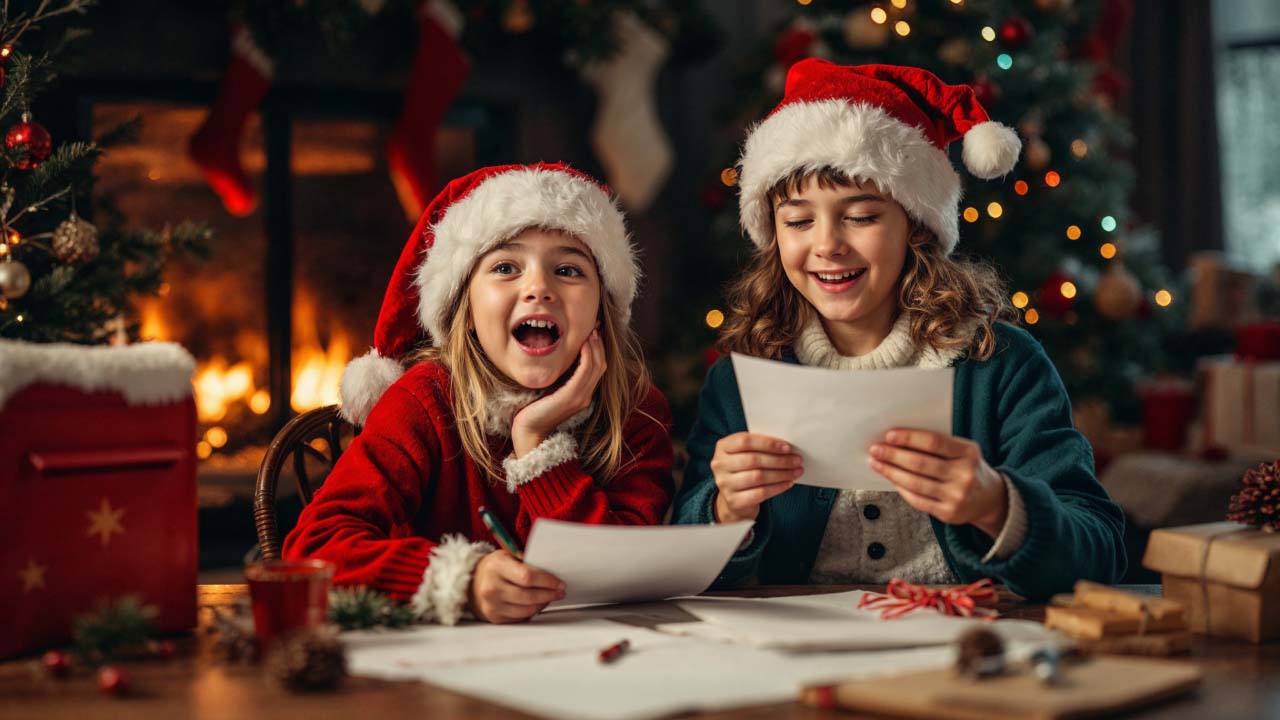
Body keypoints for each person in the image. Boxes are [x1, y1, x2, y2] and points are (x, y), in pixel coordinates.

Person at [672, 60, 1125, 600]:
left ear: (915, 226)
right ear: (773, 233)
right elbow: (684, 568)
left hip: (967, 647)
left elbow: (1101, 553)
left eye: (860, 217)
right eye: (798, 221)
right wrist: (725, 509)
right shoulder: (743, 377)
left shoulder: (1001, 363)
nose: (827, 244)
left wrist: (997, 505)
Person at [285, 163, 674, 624]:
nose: (538, 289)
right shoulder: (424, 401)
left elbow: (621, 572)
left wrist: (537, 447)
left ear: (600, 313)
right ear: (465, 311)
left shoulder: (636, 413)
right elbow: (312, 549)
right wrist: (460, 581)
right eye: (506, 267)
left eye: (568, 269)